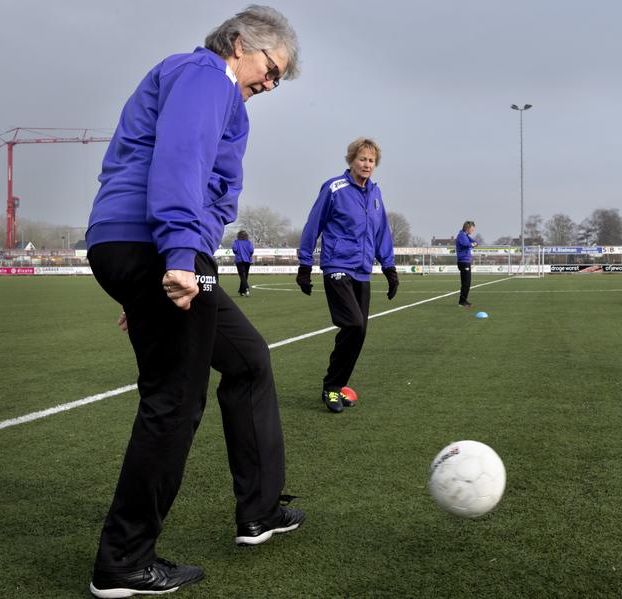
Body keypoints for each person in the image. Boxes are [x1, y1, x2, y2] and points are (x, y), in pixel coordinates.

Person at [84, 7, 303, 597]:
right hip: (156, 243)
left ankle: (257, 513)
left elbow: (203, 182)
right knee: (174, 399)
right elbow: (179, 160)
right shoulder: (207, 76)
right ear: (239, 44)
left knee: (249, 359)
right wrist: (177, 256)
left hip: (145, 250)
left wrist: (151, 280)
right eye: (271, 68)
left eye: (279, 78)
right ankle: (123, 562)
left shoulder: (216, 90)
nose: (270, 83)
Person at [297, 137, 397, 413]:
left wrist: (389, 268)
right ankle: (331, 387)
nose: (367, 164)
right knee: (353, 324)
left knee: (359, 331)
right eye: (362, 159)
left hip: (363, 271)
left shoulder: (376, 194)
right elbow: (313, 224)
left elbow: (381, 233)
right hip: (337, 267)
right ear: (351, 160)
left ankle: (336, 385)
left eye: (371, 161)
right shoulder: (334, 188)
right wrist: (305, 265)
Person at [455, 221, 478, 307]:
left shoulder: (466, 236)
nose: (473, 231)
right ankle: (462, 302)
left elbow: (475, 243)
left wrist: (473, 244)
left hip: (466, 261)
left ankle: (463, 300)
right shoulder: (461, 236)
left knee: (467, 283)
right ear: (468, 228)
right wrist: (472, 244)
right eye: (472, 229)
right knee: (466, 283)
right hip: (463, 261)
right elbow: (467, 244)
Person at [233, 229, 255, 296]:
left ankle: (246, 288)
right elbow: (251, 250)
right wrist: (249, 255)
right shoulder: (249, 242)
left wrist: (238, 253)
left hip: (239, 260)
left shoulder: (236, 242)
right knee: (245, 276)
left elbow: (234, 249)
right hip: (247, 260)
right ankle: (241, 291)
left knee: (242, 276)